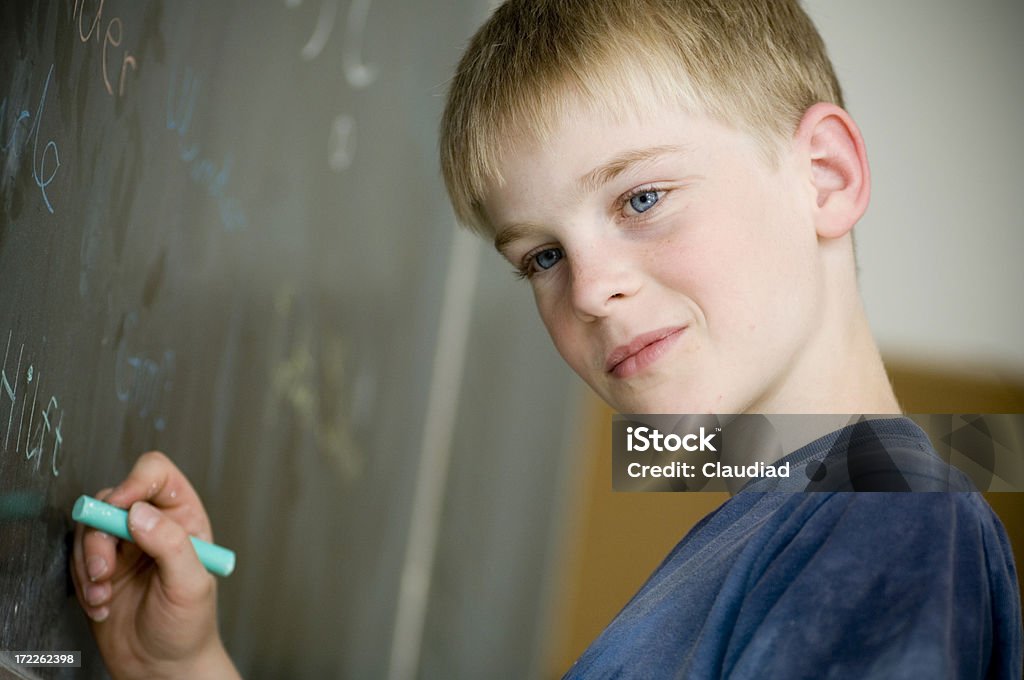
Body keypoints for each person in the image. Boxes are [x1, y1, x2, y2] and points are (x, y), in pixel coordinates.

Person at [73, 0, 1022, 677]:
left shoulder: (890, 519)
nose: (593, 287)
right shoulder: (779, 521)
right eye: (540, 257)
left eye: (642, 198)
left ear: (823, 175)